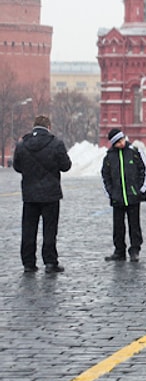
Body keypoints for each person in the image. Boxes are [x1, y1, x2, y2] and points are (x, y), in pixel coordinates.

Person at [13, 115, 72, 273]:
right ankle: (50, 262)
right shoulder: (56, 144)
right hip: (50, 194)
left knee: (28, 229)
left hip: (30, 194)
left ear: (34, 127)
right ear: (49, 127)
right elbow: (66, 166)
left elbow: (17, 166)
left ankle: (28, 263)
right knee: (50, 229)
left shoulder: (22, 144)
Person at [100, 128, 146, 262]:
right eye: (117, 142)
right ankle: (119, 251)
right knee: (118, 227)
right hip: (117, 198)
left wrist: (141, 190)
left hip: (133, 197)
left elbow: (145, 170)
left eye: (122, 140)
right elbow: (105, 176)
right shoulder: (109, 157)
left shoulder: (135, 152)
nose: (121, 143)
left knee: (134, 225)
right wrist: (111, 193)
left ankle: (135, 250)